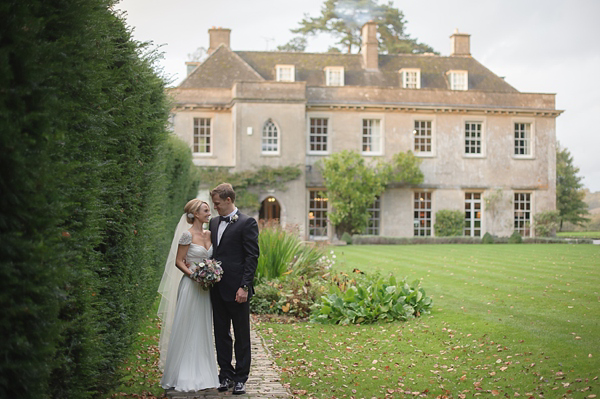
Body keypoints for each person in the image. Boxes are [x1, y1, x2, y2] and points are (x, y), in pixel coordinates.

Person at [157, 199, 219, 392]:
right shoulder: (187, 235)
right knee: (187, 325)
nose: (209, 213)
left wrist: (211, 272)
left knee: (202, 327)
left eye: (209, 210)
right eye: (206, 211)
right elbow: (178, 261)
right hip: (191, 287)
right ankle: (182, 373)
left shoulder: (210, 234)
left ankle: (204, 372)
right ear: (195, 214)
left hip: (205, 289)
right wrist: (195, 275)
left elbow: (212, 259)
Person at [209, 183, 259, 395]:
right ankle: (225, 375)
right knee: (221, 333)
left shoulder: (247, 223)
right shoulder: (212, 223)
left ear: (228, 200)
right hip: (216, 288)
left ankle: (241, 378)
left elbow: (251, 257)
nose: (215, 208)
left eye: (217, 203)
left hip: (238, 289)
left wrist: (244, 286)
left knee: (241, 334)